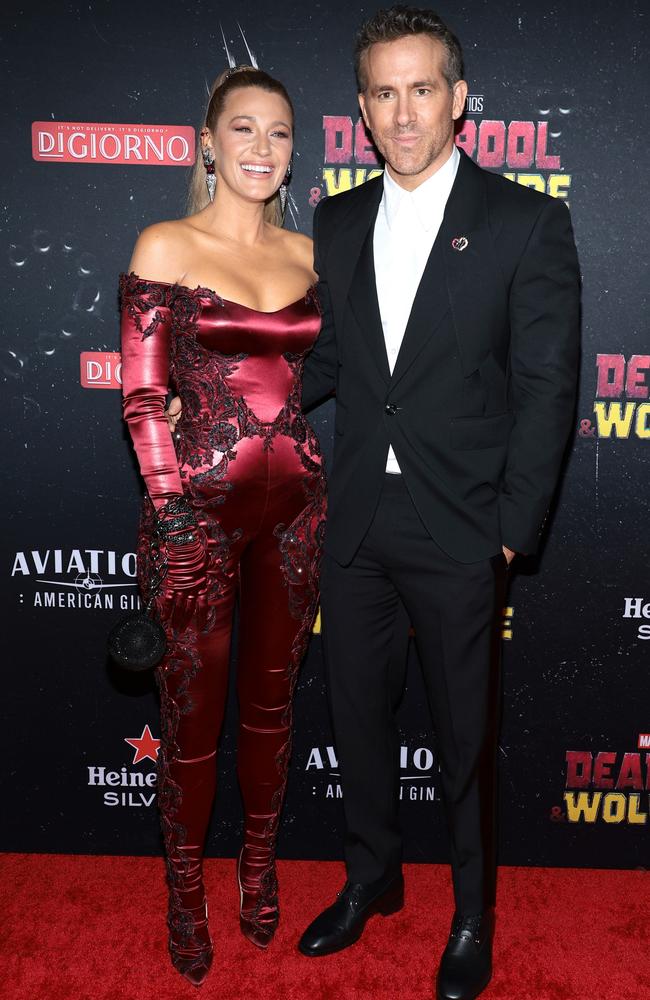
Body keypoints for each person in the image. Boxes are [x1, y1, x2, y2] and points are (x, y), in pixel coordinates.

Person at [297, 7, 580, 1000]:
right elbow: (332, 360)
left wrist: (510, 533)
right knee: (357, 720)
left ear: (457, 99)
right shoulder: (333, 220)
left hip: (461, 528)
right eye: (382, 91)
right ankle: (371, 877)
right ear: (362, 109)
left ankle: (470, 914)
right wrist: (239, 412)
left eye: (421, 88)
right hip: (356, 526)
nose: (401, 111)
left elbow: (548, 388)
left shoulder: (524, 221)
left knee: (462, 740)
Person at [119, 65, 325, 987]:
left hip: (298, 518)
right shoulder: (166, 243)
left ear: (293, 151)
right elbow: (142, 397)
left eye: (279, 133)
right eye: (243, 129)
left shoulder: (309, 254)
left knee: (272, 717)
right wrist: (169, 517)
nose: (260, 148)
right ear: (207, 141)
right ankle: (184, 893)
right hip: (193, 522)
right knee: (192, 725)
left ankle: (257, 868)